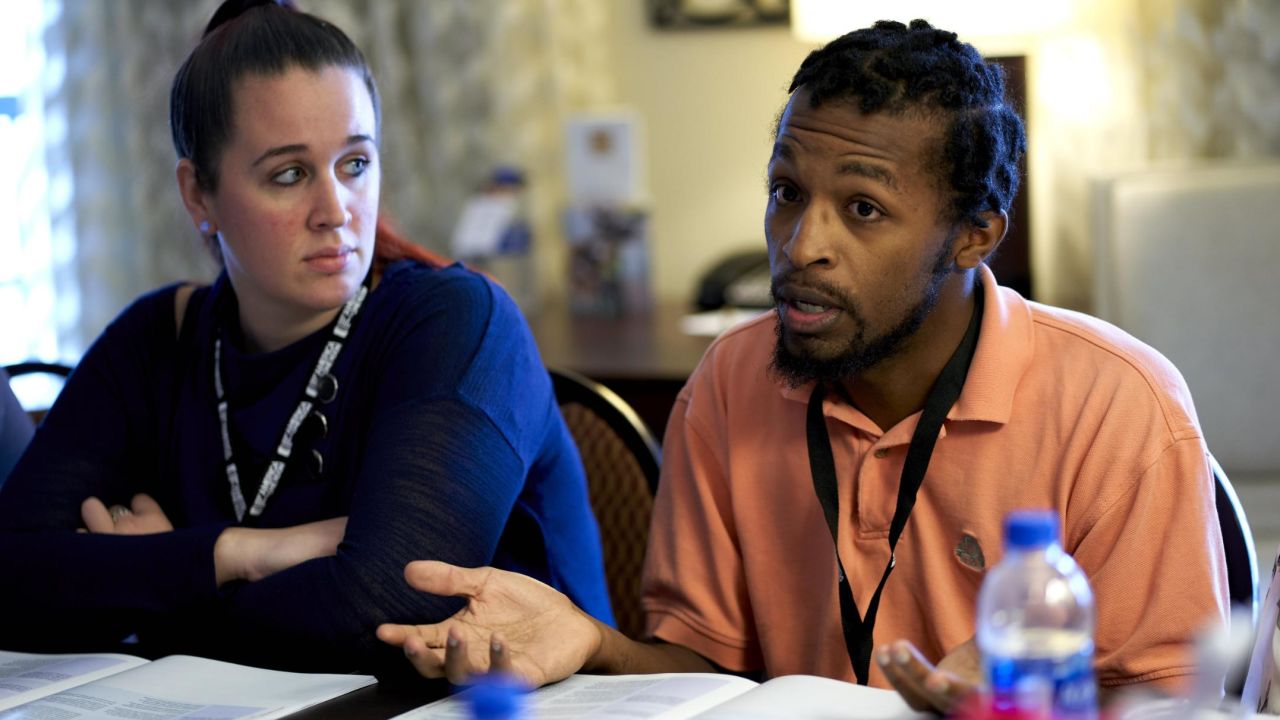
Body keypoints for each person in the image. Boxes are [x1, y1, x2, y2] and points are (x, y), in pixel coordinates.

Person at [377, 19, 1228, 713]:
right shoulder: (729, 382)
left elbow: (1174, 703)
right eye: (787, 192)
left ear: (976, 234)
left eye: (863, 208)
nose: (800, 246)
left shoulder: (1123, 408)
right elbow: (698, 670)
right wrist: (595, 643)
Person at [0, 0, 612, 677]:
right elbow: (9, 575)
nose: (335, 211)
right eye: (289, 175)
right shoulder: (157, 339)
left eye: (355, 164)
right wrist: (245, 552)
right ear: (198, 195)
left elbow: (383, 604)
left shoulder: (459, 322)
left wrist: (155, 582)